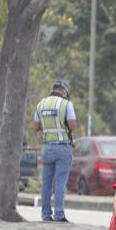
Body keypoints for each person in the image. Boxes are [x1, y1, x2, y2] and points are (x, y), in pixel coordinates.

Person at [32, 80, 76, 222]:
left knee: (46, 183)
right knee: (60, 183)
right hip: (63, 147)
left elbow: (36, 127)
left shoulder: (41, 104)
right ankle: (59, 215)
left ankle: (45, 215)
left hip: (47, 147)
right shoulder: (66, 104)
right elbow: (72, 125)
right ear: (64, 90)